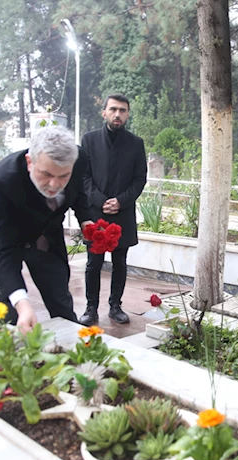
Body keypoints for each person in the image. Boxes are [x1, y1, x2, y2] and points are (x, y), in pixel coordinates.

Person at [0, 126, 93, 334]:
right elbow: (3, 250)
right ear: (30, 162)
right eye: (46, 174)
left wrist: (86, 220)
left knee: (59, 294)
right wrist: (22, 303)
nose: (54, 185)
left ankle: (69, 345)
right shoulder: (1, 183)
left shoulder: (78, 158)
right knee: (2, 305)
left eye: (63, 176)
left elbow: (78, 191)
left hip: (45, 230)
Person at [78, 93, 147, 326]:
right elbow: (84, 176)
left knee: (120, 262)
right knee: (93, 264)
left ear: (127, 114)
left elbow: (139, 179)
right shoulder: (89, 140)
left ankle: (115, 306)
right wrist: (100, 201)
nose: (118, 114)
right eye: (114, 109)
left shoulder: (136, 144)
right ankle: (90, 308)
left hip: (123, 213)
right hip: (96, 214)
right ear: (104, 112)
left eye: (123, 110)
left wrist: (120, 201)